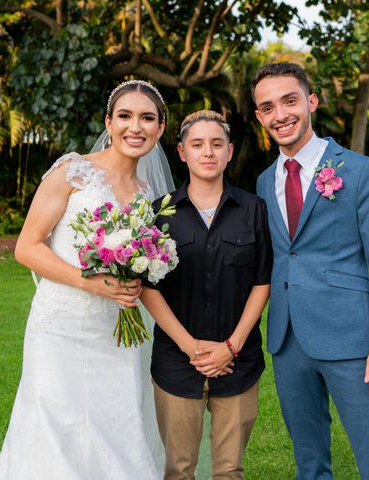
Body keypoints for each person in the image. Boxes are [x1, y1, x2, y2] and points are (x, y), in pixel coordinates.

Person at [0, 80, 171, 479]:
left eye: (146, 118)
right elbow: (27, 247)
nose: (134, 127)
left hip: (118, 330)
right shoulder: (73, 171)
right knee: (54, 425)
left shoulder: (149, 193)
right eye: (124, 116)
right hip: (61, 326)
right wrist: (87, 281)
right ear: (109, 121)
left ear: (159, 129)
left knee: (119, 420)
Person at [253, 62, 369, 479]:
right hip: (287, 340)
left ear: (311, 101)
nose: (280, 115)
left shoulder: (358, 170)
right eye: (268, 107)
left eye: (290, 101)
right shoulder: (265, 183)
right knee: (309, 462)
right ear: (259, 117)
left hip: (353, 339)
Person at [140, 110, 273, 480]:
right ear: (182, 152)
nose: (208, 152)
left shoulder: (253, 210)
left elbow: (263, 282)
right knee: (179, 470)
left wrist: (230, 346)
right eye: (197, 144)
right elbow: (149, 289)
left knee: (230, 470)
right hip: (176, 364)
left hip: (239, 363)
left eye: (217, 144)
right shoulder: (159, 214)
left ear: (230, 151)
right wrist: (191, 348)